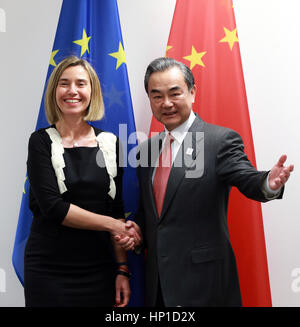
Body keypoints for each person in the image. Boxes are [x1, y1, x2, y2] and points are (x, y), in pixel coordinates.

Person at [116, 57, 294, 307]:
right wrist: (138, 234)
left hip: (205, 285)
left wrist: (269, 183)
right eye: (156, 96)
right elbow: (152, 215)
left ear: (192, 92)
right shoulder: (147, 149)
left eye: (174, 93)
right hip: (159, 286)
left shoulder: (218, 141)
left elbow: (247, 178)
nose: (166, 103)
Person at [24, 56, 138, 307]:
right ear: (54, 91)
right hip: (48, 269)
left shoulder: (110, 143)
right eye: (64, 83)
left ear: (92, 92)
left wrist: (122, 268)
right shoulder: (40, 142)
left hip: (98, 267)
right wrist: (115, 226)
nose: (72, 91)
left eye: (80, 84)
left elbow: (115, 209)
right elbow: (54, 208)